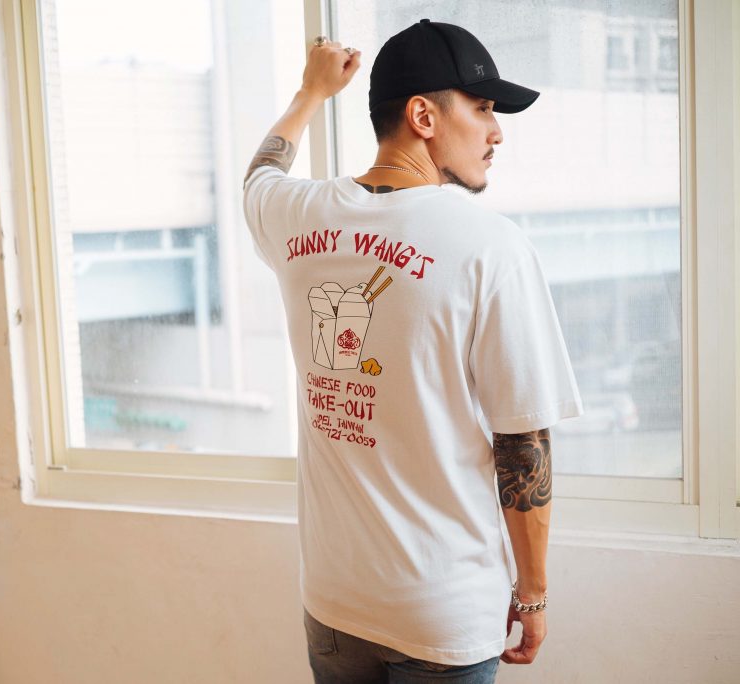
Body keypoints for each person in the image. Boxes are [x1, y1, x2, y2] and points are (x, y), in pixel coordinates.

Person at [241, 19, 584, 684]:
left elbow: (260, 175)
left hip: (334, 603)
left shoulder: (297, 217)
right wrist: (533, 592)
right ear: (423, 116)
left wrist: (311, 93)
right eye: (482, 108)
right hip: (441, 613)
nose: (496, 132)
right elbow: (523, 445)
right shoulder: (492, 248)